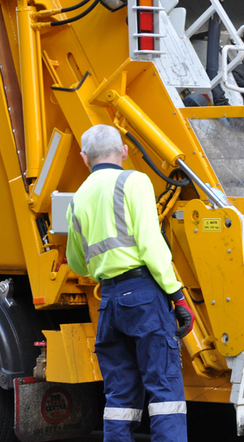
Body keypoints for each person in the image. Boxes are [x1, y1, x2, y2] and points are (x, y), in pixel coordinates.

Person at [66, 124, 194, 442]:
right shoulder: (133, 181)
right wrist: (177, 295)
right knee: (164, 391)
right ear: (123, 151)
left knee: (119, 397)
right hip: (143, 295)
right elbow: (151, 244)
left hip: (109, 301)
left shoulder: (78, 198)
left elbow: (76, 261)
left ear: (84, 158)